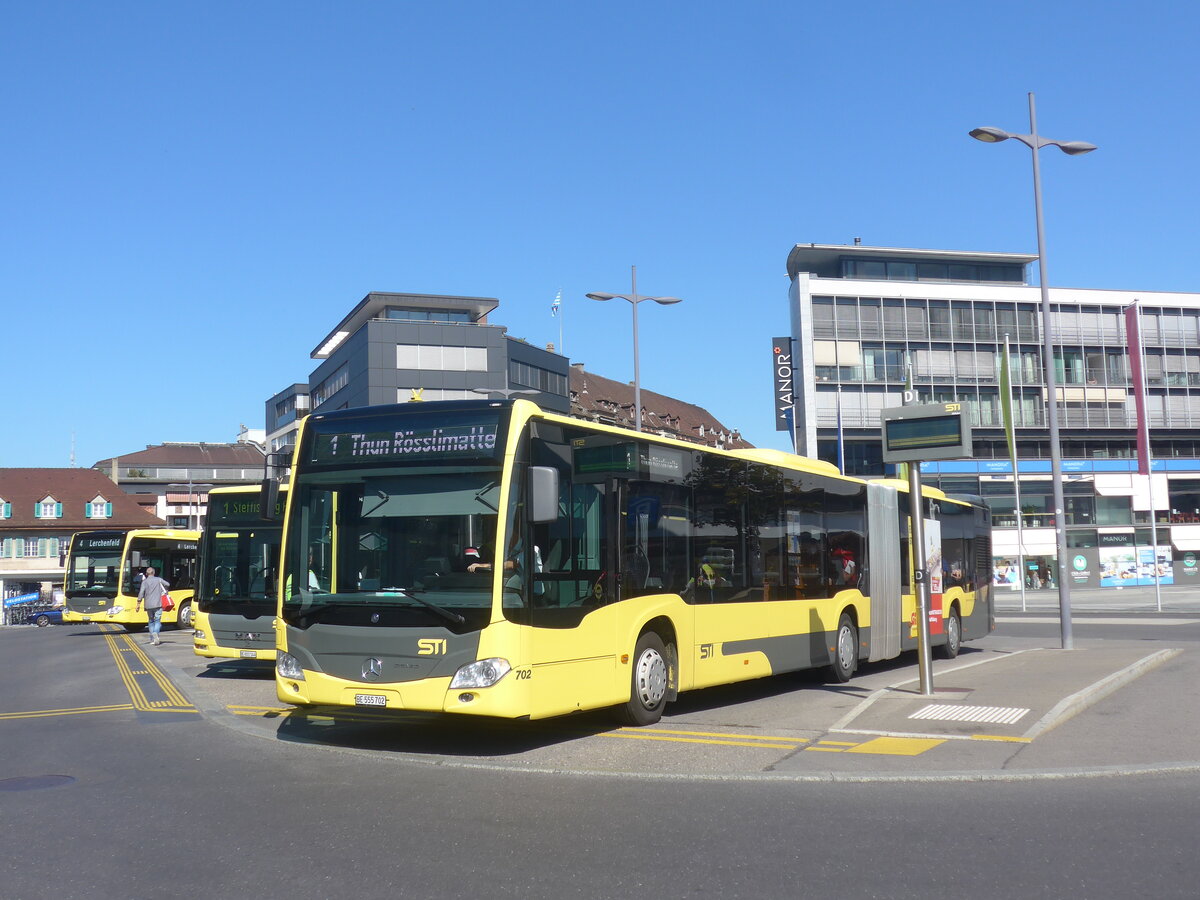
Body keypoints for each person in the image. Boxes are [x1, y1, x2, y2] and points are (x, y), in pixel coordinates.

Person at [135, 566, 170, 646]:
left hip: (148, 605)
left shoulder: (144, 582)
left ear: (146, 574)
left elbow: (141, 593)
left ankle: (152, 639)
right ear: (154, 573)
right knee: (157, 620)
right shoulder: (158, 580)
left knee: (151, 621)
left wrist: (138, 604)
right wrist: (164, 590)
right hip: (158, 604)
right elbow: (168, 584)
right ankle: (155, 633)